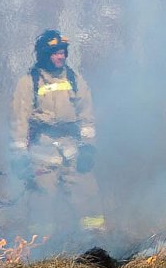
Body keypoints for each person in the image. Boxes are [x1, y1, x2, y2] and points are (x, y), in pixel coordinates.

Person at [10, 29, 104, 247]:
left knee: (88, 195)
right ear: (44, 55)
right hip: (42, 153)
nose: (61, 56)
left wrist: (89, 147)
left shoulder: (74, 78)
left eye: (63, 52)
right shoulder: (29, 82)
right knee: (41, 203)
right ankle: (40, 250)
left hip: (73, 149)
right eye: (55, 53)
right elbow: (18, 120)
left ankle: (96, 246)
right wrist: (18, 155)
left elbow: (86, 115)